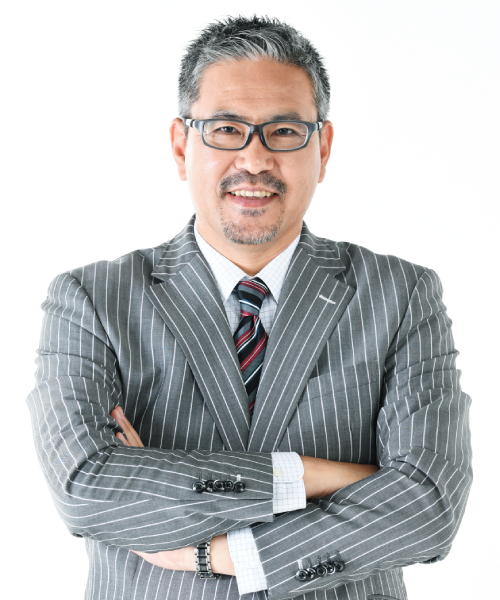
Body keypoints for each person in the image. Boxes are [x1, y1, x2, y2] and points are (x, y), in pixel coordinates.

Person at [27, 15, 472, 600]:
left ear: (323, 148)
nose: (255, 159)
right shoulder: (91, 299)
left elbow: (429, 508)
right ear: (182, 145)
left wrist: (225, 555)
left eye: (284, 131)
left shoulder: (401, 295)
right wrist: (308, 477)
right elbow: (85, 488)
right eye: (226, 129)